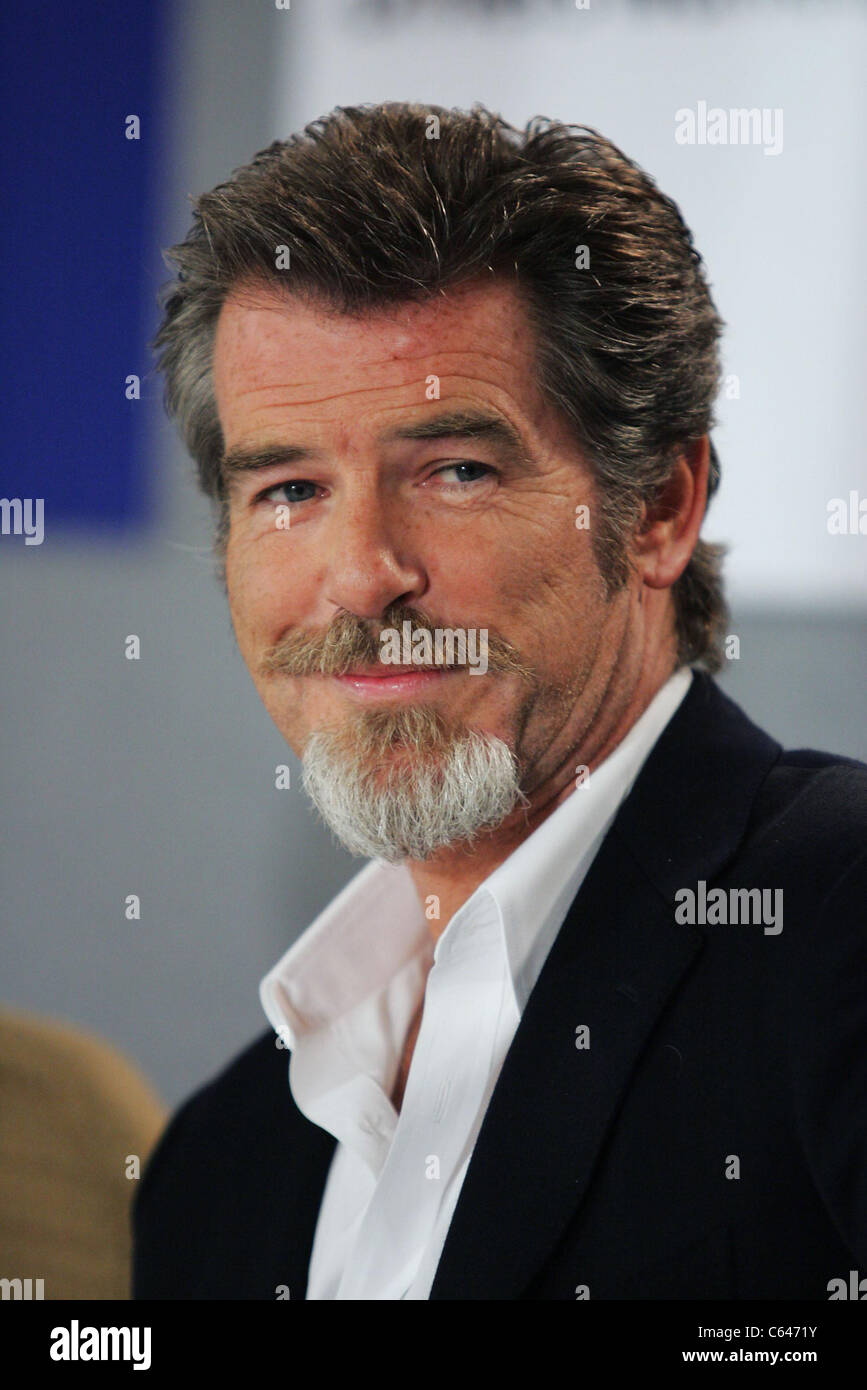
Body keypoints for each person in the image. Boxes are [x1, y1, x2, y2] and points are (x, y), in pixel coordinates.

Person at [132, 102, 867, 1300]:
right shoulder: (219, 1170)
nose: (364, 572)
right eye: (290, 489)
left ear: (661, 508)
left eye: (456, 471)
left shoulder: (835, 926)